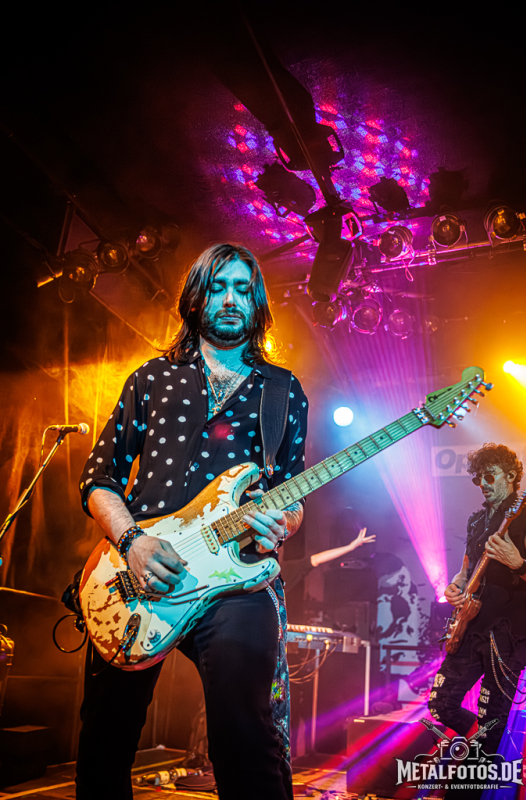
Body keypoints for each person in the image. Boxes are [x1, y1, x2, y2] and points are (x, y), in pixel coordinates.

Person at [75, 243, 308, 800]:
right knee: (105, 737)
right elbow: (99, 477)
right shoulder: (151, 378)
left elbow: (291, 493)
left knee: (245, 733)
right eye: (218, 287)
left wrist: (283, 524)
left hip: (235, 579)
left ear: (257, 304)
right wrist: (132, 541)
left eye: (243, 289)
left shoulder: (282, 390)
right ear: (197, 299)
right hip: (138, 571)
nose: (230, 299)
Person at [429, 443, 526, 763]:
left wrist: (518, 564)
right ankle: (479, 749)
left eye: (490, 476)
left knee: (493, 715)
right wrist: (453, 588)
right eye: (478, 479)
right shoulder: (476, 520)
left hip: (509, 629)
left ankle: (479, 768)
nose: (483, 484)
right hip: (471, 624)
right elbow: (465, 572)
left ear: (511, 476)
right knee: (441, 703)